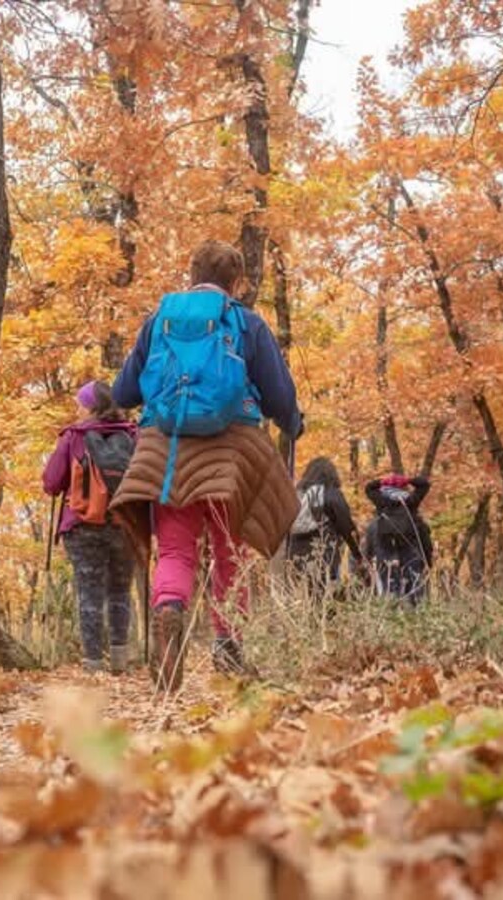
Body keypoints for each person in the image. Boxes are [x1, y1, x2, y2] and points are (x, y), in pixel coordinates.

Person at [109, 240, 304, 691]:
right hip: (231, 451)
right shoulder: (245, 322)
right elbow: (278, 395)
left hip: (168, 452)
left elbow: (122, 393)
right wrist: (293, 422)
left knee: (176, 552)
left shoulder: (159, 322)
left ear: (191, 272)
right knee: (228, 553)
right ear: (235, 282)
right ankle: (229, 650)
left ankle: (169, 611)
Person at [42, 380, 138, 674]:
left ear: (91, 406)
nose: (77, 408)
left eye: (80, 403)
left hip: (83, 525)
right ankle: (120, 661)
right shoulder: (136, 435)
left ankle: (93, 665)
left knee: (89, 592)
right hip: (126, 524)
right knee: (121, 591)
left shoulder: (74, 437)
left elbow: (50, 483)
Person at [286, 457, 363, 594]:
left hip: (296, 558)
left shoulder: (297, 496)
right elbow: (347, 527)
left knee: (304, 600)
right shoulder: (331, 494)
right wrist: (358, 554)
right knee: (326, 600)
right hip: (324, 557)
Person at [363, 473, 433, 606]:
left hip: (385, 547)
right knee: (414, 587)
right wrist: (408, 479)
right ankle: (415, 617)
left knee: (390, 587)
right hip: (410, 547)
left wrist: (382, 481)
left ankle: (391, 615)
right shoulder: (410, 502)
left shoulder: (382, 501)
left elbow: (369, 488)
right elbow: (424, 484)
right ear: (403, 488)